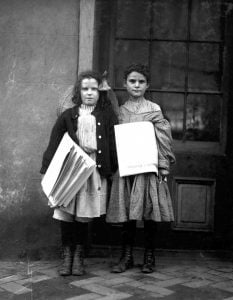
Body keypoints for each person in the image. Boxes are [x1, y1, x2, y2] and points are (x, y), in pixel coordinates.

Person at [40, 70, 118, 276]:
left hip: (93, 170)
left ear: (100, 93)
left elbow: (113, 144)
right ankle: (67, 255)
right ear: (78, 92)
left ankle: (79, 257)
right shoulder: (68, 115)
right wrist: (47, 169)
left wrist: (111, 169)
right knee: (66, 214)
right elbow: (54, 143)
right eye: (85, 89)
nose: (90, 93)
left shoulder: (107, 116)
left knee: (84, 214)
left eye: (94, 89)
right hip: (71, 169)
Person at [106, 63, 176, 274]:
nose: (136, 85)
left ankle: (149, 256)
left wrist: (163, 165)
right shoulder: (120, 111)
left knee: (148, 214)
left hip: (148, 169)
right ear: (125, 84)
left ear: (147, 85)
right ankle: (126, 256)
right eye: (132, 81)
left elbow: (163, 139)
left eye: (141, 82)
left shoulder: (153, 109)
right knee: (127, 215)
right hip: (127, 169)